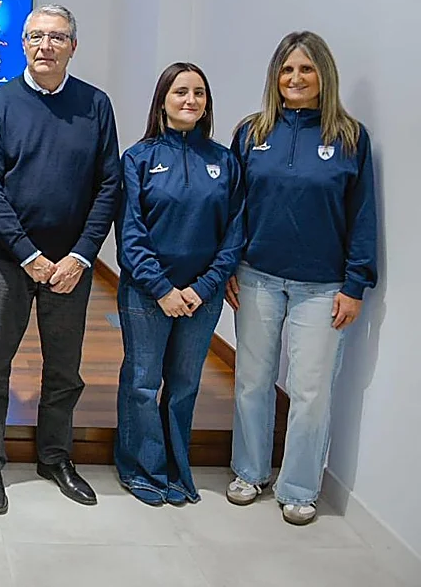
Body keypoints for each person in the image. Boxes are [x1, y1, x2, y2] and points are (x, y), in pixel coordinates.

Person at [0, 3, 120, 514]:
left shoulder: (95, 105)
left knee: (65, 370)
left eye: (56, 38)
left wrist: (81, 255)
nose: (45, 47)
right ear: (22, 44)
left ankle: (55, 457)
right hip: (8, 262)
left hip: (71, 266)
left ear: (73, 46)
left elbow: (108, 186)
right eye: (35, 36)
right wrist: (28, 254)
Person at [224, 31, 376, 526]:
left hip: (323, 286)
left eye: (306, 69)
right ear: (275, 77)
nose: (295, 78)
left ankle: (299, 487)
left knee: (310, 390)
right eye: (287, 70)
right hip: (257, 276)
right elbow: (234, 209)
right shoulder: (251, 132)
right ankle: (249, 471)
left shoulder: (350, 137)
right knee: (252, 381)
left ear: (323, 76)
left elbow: (362, 215)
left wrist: (355, 284)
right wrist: (229, 267)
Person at [115, 62, 244, 506]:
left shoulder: (224, 160)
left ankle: (176, 469)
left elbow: (234, 234)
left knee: (185, 385)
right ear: (163, 100)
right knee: (143, 383)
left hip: (202, 297)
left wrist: (204, 287)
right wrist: (164, 289)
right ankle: (141, 468)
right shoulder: (138, 158)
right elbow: (130, 234)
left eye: (199, 93)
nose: (191, 100)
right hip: (148, 294)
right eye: (181, 92)